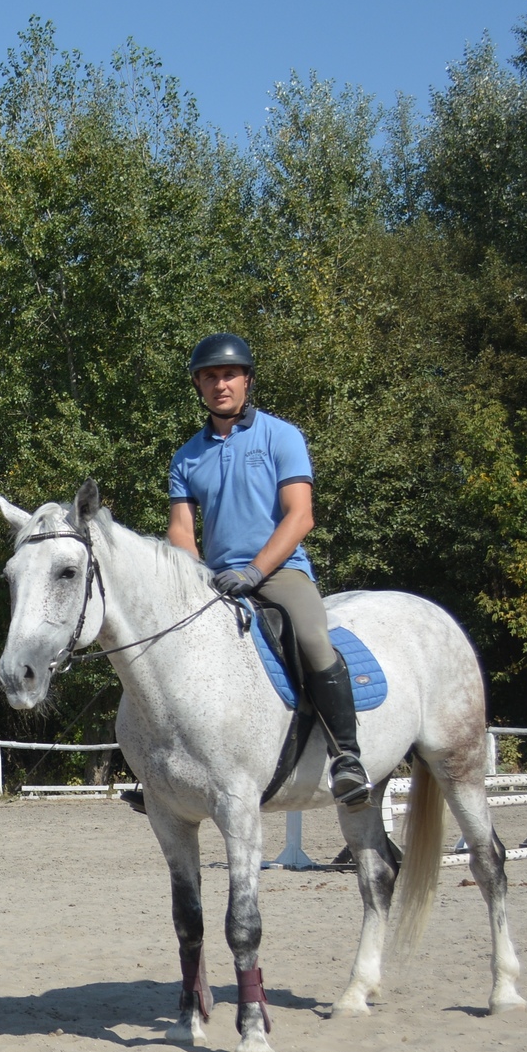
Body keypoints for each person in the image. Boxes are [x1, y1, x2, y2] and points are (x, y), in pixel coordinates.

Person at [166, 333, 369, 808]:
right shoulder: (186, 456)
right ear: (199, 384)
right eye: (210, 376)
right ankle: (167, 768)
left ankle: (348, 758)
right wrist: (196, 578)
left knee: (314, 638)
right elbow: (180, 528)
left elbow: (301, 515)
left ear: (247, 380)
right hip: (214, 577)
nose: (221, 384)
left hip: (279, 571)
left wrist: (256, 572)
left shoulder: (281, 436)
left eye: (229, 375)